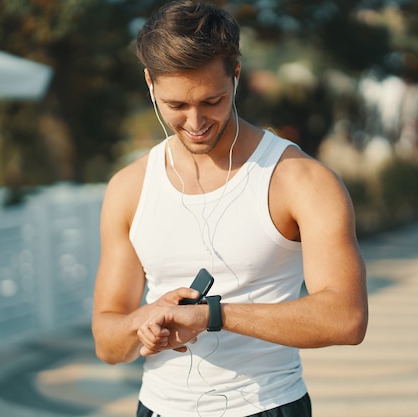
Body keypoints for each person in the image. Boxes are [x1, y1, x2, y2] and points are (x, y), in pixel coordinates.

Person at [91, 1, 368, 416]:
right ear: (150, 83)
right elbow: (107, 342)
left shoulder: (299, 180)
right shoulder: (128, 188)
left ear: (236, 73)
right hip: (158, 408)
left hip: (268, 406)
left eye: (212, 100)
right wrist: (144, 322)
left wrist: (212, 316)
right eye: (176, 106)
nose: (196, 121)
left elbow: (346, 318)